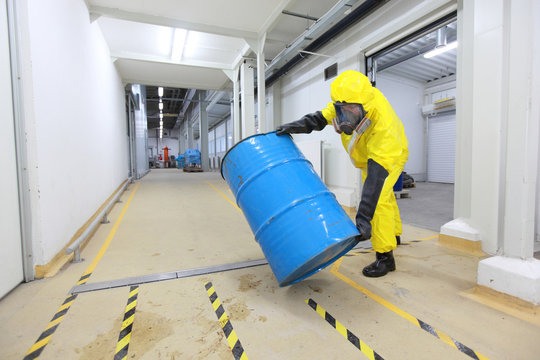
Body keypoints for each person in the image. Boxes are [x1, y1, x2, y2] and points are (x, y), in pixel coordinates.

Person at [276, 70, 409, 278]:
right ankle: (394, 235)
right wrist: (293, 127)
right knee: (386, 196)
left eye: (352, 111)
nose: (346, 116)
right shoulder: (348, 101)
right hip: (368, 156)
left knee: (379, 199)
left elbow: (375, 180)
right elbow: (319, 119)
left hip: (390, 155)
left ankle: (385, 257)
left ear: (364, 107)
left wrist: (363, 218)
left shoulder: (383, 124)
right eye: (342, 110)